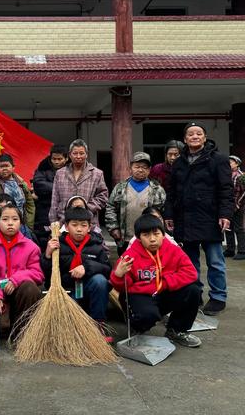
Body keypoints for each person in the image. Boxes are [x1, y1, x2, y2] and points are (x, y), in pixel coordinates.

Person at [164, 122, 233, 316]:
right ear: (185, 139)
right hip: (185, 218)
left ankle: (218, 297)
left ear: (204, 137)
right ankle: (195, 293)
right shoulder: (178, 162)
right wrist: (169, 214)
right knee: (190, 261)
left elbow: (226, 189)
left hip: (210, 217)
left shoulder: (218, 159)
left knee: (215, 260)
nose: (195, 136)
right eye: (191, 134)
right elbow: (171, 192)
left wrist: (225, 214)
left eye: (199, 134)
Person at [110, 214, 201, 348]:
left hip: (163, 292)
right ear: (139, 238)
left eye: (156, 234)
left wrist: (164, 282)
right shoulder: (130, 255)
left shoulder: (173, 250)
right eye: (146, 235)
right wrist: (118, 275)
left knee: (193, 290)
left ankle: (176, 330)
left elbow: (191, 273)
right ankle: (138, 328)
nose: (152, 239)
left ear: (163, 235)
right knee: (147, 315)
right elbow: (122, 287)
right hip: (140, 296)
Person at [42, 207, 112, 341]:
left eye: (83, 225)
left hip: (88, 291)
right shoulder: (57, 244)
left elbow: (107, 269)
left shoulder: (96, 245)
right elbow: (45, 274)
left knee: (100, 281)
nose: (79, 229)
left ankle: (98, 325)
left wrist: (87, 267)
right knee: (68, 332)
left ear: (89, 227)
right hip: (65, 291)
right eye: (74, 225)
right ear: (66, 227)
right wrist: (47, 255)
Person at [0, 203, 44, 336]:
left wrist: (15, 280)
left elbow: (37, 273)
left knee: (30, 288)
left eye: (15, 219)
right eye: (5, 219)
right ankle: (8, 320)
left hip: (20, 292)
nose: (10, 223)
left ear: (21, 223)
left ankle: (21, 330)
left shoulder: (31, 247)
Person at [106, 152, 166, 256]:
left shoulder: (157, 189)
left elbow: (163, 212)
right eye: (137, 166)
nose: (140, 170)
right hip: (125, 237)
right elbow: (110, 207)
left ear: (149, 169)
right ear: (131, 167)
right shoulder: (120, 188)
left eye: (144, 167)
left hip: (149, 237)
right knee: (127, 265)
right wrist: (113, 228)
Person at [49, 139, 108, 229]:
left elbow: (103, 197)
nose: (78, 156)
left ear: (86, 154)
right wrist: (54, 222)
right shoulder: (60, 173)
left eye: (81, 153)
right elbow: (54, 201)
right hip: (64, 223)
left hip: (89, 224)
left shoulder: (97, 174)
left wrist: (86, 205)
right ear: (69, 155)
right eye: (75, 153)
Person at [0, 154, 35, 231]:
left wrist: (29, 226)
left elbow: (30, 204)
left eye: (7, 166)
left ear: (13, 167)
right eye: (1, 166)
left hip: (20, 226)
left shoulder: (21, 182)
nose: (4, 169)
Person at [33, 145, 68, 249]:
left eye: (60, 159)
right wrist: (59, 188)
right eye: (54, 159)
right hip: (45, 211)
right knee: (44, 240)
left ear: (66, 159)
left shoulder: (71, 169)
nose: (56, 162)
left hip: (65, 211)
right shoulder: (43, 168)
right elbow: (38, 184)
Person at [224, 155, 245, 260]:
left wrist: (237, 203)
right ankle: (230, 249)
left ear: (237, 164)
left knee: (239, 228)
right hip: (228, 206)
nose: (229, 164)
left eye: (231, 162)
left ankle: (242, 250)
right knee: (228, 227)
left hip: (238, 207)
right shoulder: (226, 175)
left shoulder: (241, 176)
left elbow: (243, 192)